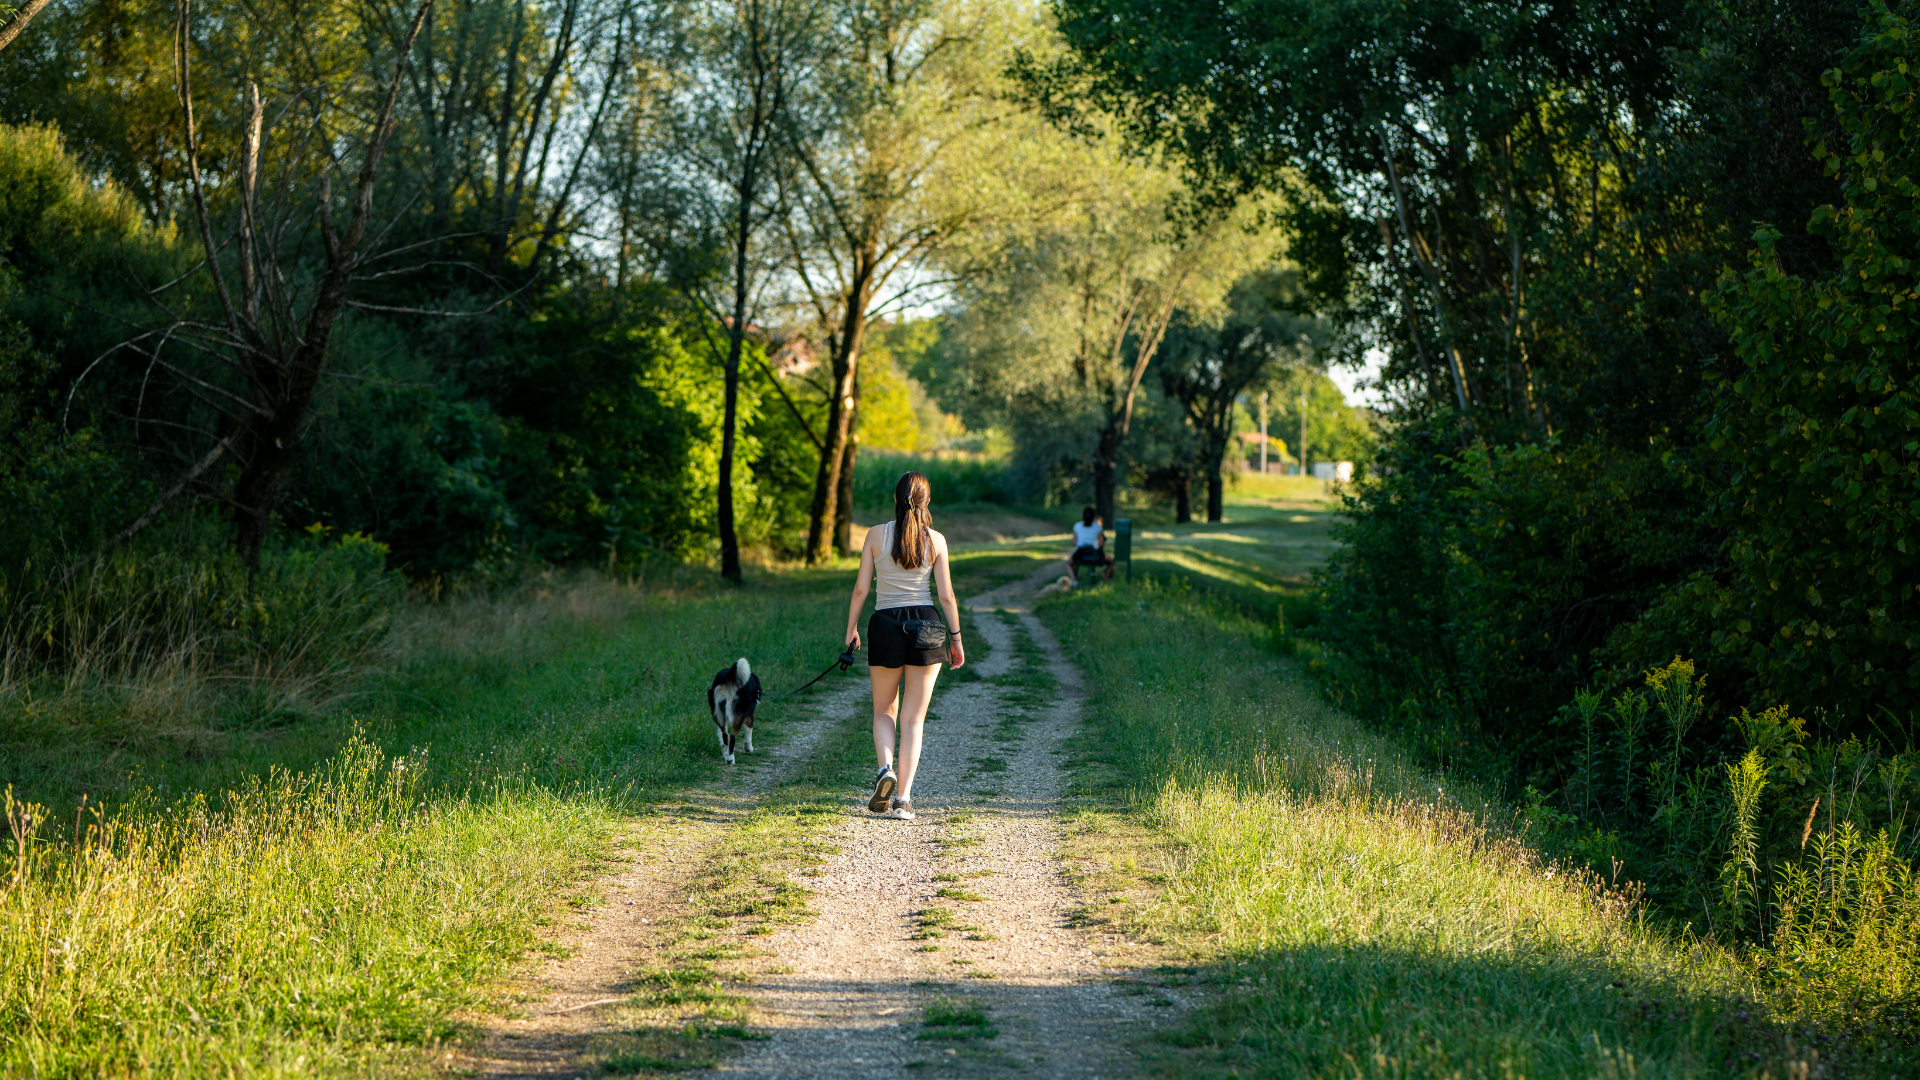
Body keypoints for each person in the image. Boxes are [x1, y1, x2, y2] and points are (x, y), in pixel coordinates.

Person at [844, 471, 965, 821]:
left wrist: (851, 628)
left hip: (884, 624)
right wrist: (955, 639)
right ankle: (904, 800)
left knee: (884, 710)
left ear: (895, 499)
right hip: (926, 627)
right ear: (927, 502)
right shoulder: (936, 541)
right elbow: (946, 595)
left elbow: (860, 591)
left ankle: (885, 770)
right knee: (914, 719)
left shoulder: (875, 536)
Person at [1065, 505, 1114, 583]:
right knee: (1112, 562)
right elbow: (1101, 544)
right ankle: (1102, 581)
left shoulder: (1077, 526)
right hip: (1095, 554)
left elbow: (1074, 542)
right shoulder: (1098, 527)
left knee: (1069, 563)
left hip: (1080, 554)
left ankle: (1074, 581)